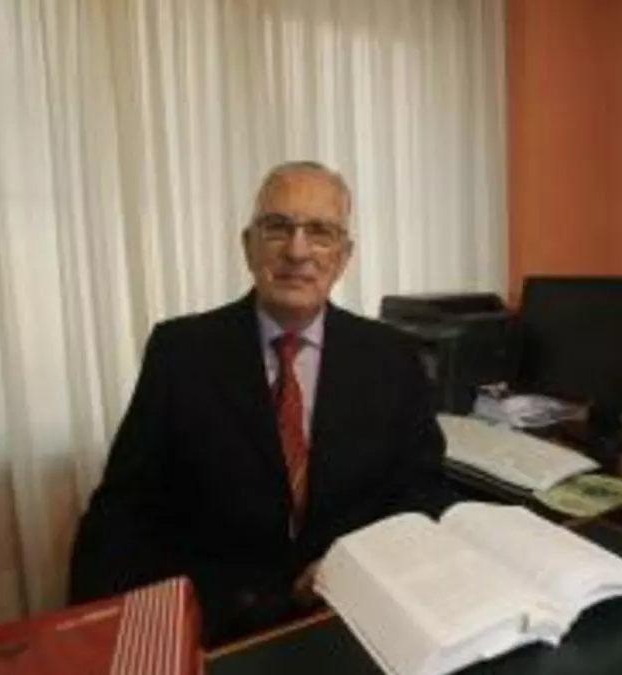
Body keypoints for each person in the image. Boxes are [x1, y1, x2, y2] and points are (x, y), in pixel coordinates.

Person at [67, 161, 452, 646]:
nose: (297, 251)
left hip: (351, 617)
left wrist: (355, 564)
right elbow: (121, 513)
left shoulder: (392, 356)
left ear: (344, 256)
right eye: (277, 228)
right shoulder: (180, 352)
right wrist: (98, 640)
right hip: (220, 627)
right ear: (248, 245)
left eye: (320, 232)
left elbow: (422, 491)